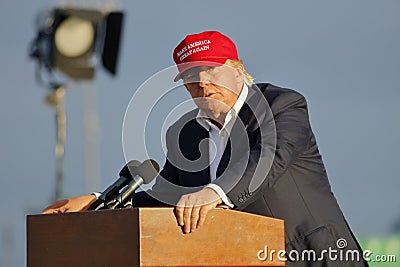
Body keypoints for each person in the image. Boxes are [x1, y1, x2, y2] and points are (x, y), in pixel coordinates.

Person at [43, 31, 368, 266]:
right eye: (191, 77)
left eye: (210, 71)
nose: (202, 84)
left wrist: (214, 192)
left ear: (238, 69)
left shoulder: (281, 104)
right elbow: (165, 198)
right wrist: (100, 202)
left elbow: (268, 158)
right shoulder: (185, 134)